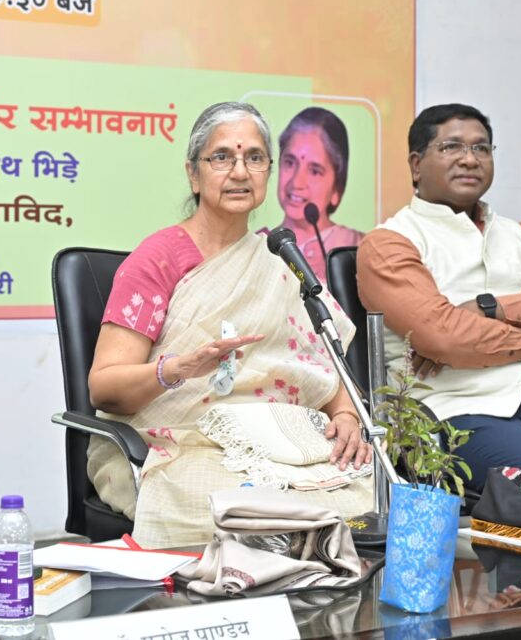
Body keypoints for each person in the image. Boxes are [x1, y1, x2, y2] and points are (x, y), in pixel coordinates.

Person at [86, 101, 373, 548]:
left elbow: (324, 369)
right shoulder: (158, 260)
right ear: (193, 174)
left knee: (368, 502)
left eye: (254, 157)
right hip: (179, 445)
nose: (240, 172)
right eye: (221, 157)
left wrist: (346, 415)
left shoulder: (278, 260)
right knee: (249, 516)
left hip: (278, 443)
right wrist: (178, 369)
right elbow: (104, 388)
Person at [357, 103, 521, 494]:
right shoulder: (390, 243)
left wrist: (491, 308)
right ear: (416, 164)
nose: (469, 159)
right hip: (456, 411)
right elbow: (444, 337)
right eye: (451, 147)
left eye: (481, 148)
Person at [266, 107, 364, 281]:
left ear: (336, 188)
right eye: (290, 162)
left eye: (314, 171)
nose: (296, 182)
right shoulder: (257, 247)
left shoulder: (359, 248)